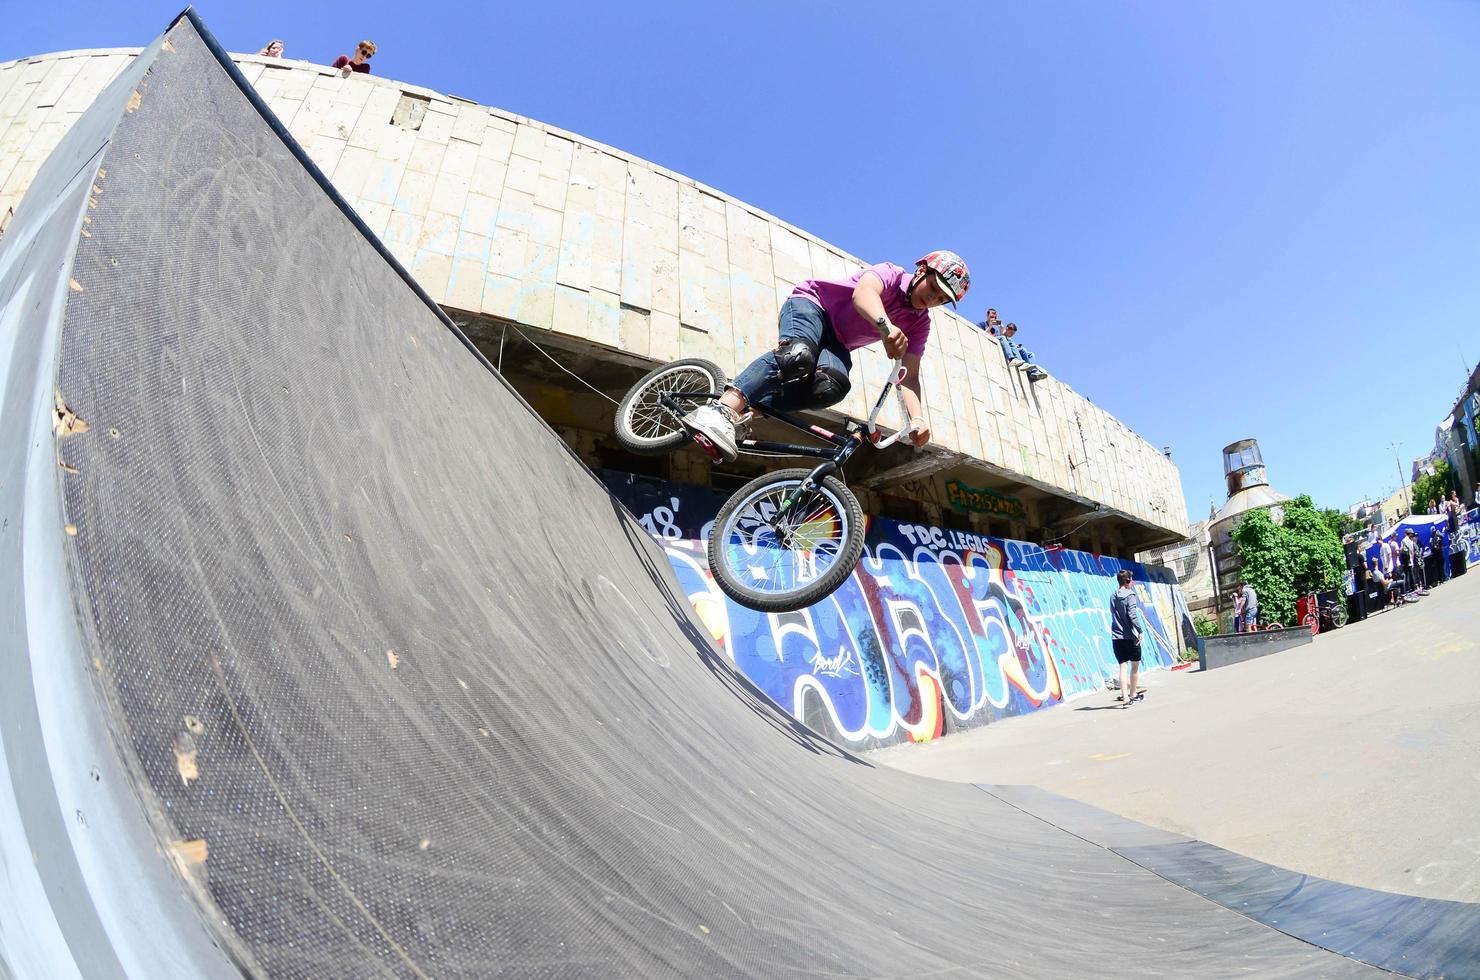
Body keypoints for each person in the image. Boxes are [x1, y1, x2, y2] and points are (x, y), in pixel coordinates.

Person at [680, 251, 970, 462]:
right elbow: (863, 294)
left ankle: (743, 414)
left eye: (942, 300)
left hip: (837, 342)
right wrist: (886, 326)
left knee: (832, 387)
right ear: (921, 271)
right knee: (798, 356)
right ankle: (720, 409)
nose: (932, 300)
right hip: (812, 305)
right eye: (933, 289)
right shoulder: (891, 273)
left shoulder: (920, 323)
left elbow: (910, 377)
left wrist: (917, 419)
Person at [1110, 570, 1144, 706]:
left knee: (1122, 666)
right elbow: (1132, 615)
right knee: (1135, 666)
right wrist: (1140, 630)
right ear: (1128, 580)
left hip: (1116, 636)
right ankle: (1133, 694)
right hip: (1130, 636)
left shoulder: (1113, 596)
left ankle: (1125, 698)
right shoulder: (1130, 595)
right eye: (1132, 579)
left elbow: (1112, 612)